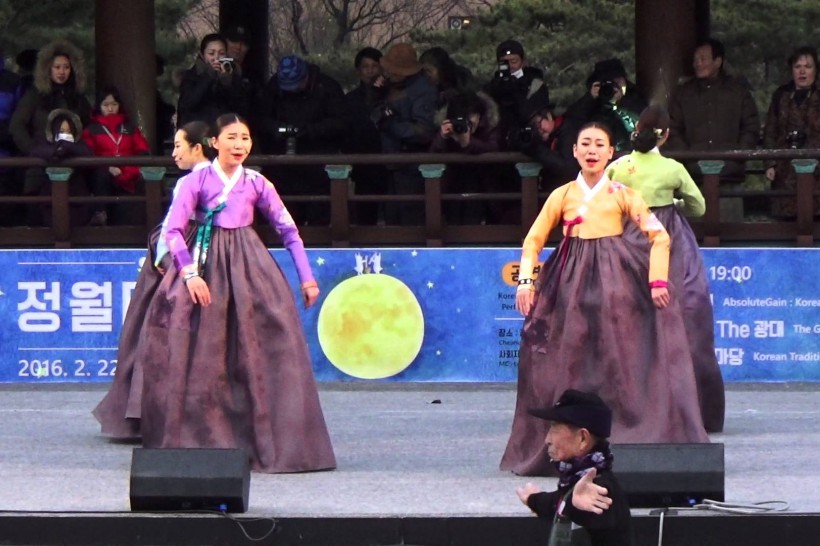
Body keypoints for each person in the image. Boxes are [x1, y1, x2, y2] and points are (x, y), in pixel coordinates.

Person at [93, 114, 336, 474]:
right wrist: (189, 274)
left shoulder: (257, 182)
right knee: (195, 346)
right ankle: (199, 437)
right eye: (232, 137)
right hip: (203, 264)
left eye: (245, 138)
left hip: (250, 264)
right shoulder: (195, 181)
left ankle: (263, 437)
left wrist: (307, 278)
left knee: (267, 342)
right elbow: (173, 231)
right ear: (214, 143)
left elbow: (288, 230)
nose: (239, 145)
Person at [500, 122, 709, 477]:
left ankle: (625, 431)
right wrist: (525, 284)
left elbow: (659, 236)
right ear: (575, 152)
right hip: (569, 282)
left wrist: (657, 280)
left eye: (600, 144)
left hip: (617, 282)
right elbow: (533, 240)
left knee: (619, 358)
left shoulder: (622, 194)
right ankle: (570, 437)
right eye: (585, 144)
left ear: (611, 153)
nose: (592, 150)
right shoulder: (563, 194)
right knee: (569, 357)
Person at [93, 120, 215, 442]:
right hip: (203, 256)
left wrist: (163, 258)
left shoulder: (192, 181)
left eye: (179, 146)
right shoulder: (219, 178)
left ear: (197, 148)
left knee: (156, 333)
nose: (174, 153)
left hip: (183, 257)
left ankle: (158, 414)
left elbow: (174, 226)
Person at [607, 105, 725, 433]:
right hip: (669, 237)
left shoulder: (618, 167)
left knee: (627, 321)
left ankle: (626, 410)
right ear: (666, 135)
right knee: (684, 315)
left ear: (636, 130)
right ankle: (694, 411)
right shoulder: (673, 168)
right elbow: (699, 206)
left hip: (627, 238)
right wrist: (674, 204)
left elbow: (602, 203)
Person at [516, 389, 634, 546]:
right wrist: (533, 499)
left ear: (583, 438)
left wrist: (573, 506)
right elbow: (557, 501)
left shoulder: (601, 487)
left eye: (555, 428)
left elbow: (597, 515)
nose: (547, 439)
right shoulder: (576, 480)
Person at [256, 54, 350, 226]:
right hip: (282, 164)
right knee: (286, 216)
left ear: (306, 77)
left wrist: (310, 130)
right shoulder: (273, 87)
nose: (292, 91)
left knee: (318, 214)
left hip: (318, 161)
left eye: (296, 85)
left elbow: (341, 122)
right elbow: (260, 118)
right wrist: (277, 129)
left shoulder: (327, 87)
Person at [10, 39, 92, 225]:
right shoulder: (34, 96)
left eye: (66, 67)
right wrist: (33, 150)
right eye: (57, 67)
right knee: (39, 221)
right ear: (47, 68)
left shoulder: (78, 99)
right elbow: (17, 126)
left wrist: (79, 150)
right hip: (40, 168)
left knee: (74, 220)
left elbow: (88, 129)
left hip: (73, 169)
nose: (62, 72)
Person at [666, 39, 760, 186]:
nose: (698, 63)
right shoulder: (684, 94)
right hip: (693, 176)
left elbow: (751, 126)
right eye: (695, 60)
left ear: (718, 62)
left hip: (730, 174)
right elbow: (673, 128)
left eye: (703, 59)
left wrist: (738, 155)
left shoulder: (738, 92)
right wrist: (687, 157)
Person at [370, 42, 437, 225]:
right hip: (391, 161)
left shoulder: (423, 91)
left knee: (410, 218)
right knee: (392, 216)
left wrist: (390, 124)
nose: (388, 73)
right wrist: (376, 95)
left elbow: (423, 131)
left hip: (410, 164)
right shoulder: (391, 86)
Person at [763, 46, 820, 219]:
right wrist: (770, 163)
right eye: (797, 67)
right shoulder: (781, 95)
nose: (802, 71)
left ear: (815, 70)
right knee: (785, 218)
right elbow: (770, 131)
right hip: (785, 169)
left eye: (808, 66)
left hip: (816, 168)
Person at [82, 85, 151, 226]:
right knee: (102, 177)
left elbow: (143, 150)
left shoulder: (130, 129)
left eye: (114, 104)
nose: (110, 108)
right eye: (105, 105)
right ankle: (100, 213)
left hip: (129, 174)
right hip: (104, 175)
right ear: (99, 107)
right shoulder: (91, 130)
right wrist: (107, 167)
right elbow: (89, 155)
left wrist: (131, 170)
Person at [430, 91, 501, 224]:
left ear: (479, 116)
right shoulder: (449, 130)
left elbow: (493, 150)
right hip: (452, 189)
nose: (467, 123)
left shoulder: (489, 128)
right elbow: (432, 157)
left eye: (471, 117)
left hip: (482, 189)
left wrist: (468, 143)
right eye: (462, 118)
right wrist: (442, 138)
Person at [562, 58, 647, 154]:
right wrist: (590, 98)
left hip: (631, 151)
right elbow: (573, 119)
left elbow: (642, 118)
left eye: (616, 82)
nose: (611, 86)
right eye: (606, 83)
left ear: (624, 81)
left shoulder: (634, 96)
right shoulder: (593, 102)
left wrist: (621, 101)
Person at [344, 47, 389, 225]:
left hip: (389, 159)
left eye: (374, 66)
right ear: (358, 71)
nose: (370, 71)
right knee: (365, 214)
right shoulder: (350, 100)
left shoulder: (391, 94)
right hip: (363, 163)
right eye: (365, 67)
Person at [176, 33, 252, 126]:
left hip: (225, 130)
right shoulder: (191, 76)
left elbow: (242, 107)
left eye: (221, 53)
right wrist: (208, 76)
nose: (216, 58)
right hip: (198, 131)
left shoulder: (232, 75)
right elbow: (188, 104)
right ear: (202, 55)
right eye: (211, 53)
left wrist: (227, 82)